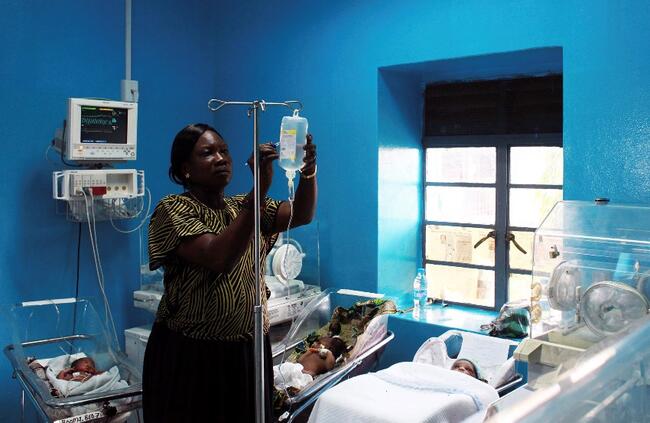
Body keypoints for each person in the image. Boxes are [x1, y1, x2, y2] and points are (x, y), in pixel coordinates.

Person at [143, 123, 317, 422]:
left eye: (224, 151)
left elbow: (300, 214)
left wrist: (308, 170)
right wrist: (259, 189)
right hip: (193, 356)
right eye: (208, 153)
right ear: (186, 169)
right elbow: (218, 256)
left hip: (247, 351)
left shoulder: (242, 206)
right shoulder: (173, 210)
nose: (221, 158)